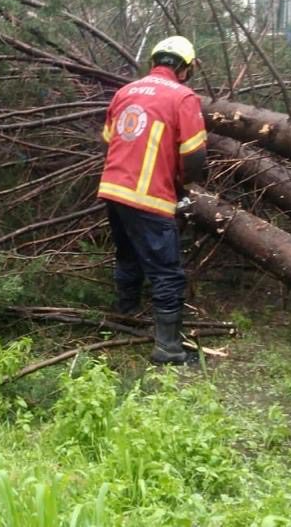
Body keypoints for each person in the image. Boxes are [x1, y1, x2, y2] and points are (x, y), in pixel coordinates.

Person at [97, 36, 207, 365]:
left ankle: (127, 313)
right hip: (149, 197)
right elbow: (194, 154)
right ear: (185, 68)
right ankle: (168, 348)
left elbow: (108, 142)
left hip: (113, 190)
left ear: (154, 61)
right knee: (167, 272)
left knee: (127, 254)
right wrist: (184, 185)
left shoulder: (124, 92)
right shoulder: (183, 97)